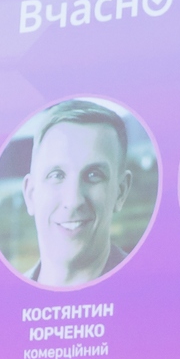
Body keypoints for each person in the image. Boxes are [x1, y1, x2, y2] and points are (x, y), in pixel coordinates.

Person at [22, 100, 133, 286]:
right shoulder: (2, 300)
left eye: (93, 175)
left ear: (121, 192)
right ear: (30, 194)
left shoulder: (154, 294)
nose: (73, 201)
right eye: (57, 175)